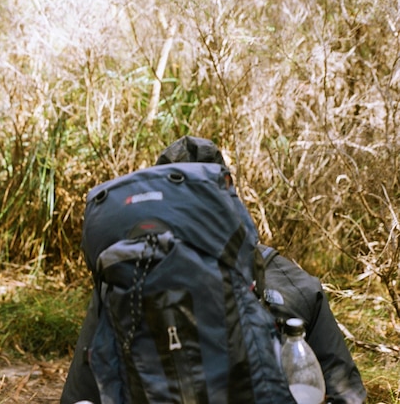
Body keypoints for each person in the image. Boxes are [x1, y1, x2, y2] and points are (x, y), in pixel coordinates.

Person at [61, 136, 366, 404]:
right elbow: (347, 394)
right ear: (230, 203)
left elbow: (80, 396)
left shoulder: (123, 286)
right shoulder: (294, 283)